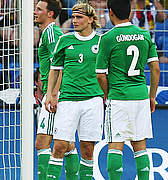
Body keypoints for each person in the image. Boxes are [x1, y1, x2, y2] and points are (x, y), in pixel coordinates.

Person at [95, 0, 160, 179]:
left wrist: (108, 95)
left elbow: (100, 75)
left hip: (119, 98)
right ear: (130, 11)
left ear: (110, 12)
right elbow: (155, 68)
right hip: (140, 97)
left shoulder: (107, 38)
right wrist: (151, 97)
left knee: (115, 146)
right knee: (140, 147)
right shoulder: (144, 34)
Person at [44, 2, 104, 179]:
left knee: (87, 149)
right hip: (68, 99)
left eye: (79, 17)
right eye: (73, 17)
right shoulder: (65, 40)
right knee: (59, 146)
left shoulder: (101, 41)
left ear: (91, 19)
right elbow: (54, 69)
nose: (74, 21)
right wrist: (50, 95)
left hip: (93, 100)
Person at [33, 0, 79, 179]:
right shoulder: (47, 32)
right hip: (54, 92)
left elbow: (61, 64)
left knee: (42, 143)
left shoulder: (52, 32)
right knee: (66, 144)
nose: (34, 12)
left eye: (39, 9)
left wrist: (53, 94)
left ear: (50, 13)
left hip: (55, 94)